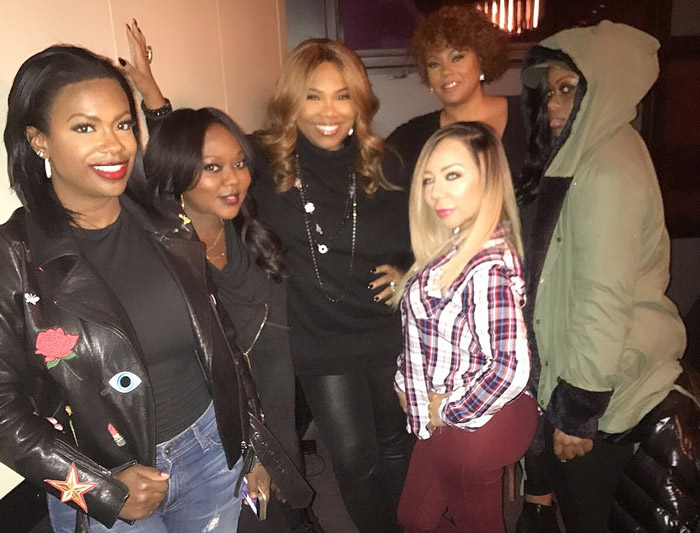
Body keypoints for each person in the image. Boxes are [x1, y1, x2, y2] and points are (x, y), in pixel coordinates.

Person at [0, 45, 270, 533]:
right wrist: (96, 487)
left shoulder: (167, 221)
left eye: (123, 124)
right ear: (39, 140)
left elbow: (221, 340)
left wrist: (251, 444)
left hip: (212, 452)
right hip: (106, 483)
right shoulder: (14, 258)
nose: (115, 145)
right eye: (85, 128)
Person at [514, 21, 686, 533]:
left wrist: (577, 410)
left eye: (569, 88)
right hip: (586, 371)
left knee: (588, 516)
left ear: (604, 87)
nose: (553, 104)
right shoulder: (585, 151)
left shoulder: (606, 168)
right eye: (551, 91)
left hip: (601, 387)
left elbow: (601, 297)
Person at [251, 38, 415, 532]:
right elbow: (195, 161)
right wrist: (156, 107)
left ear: (359, 102)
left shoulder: (387, 163)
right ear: (290, 102)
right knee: (352, 458)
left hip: (386, 329)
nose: (329, 111)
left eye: (343, 96)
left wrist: (410, 271)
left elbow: (437, 231)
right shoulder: (263, 163)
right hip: (318, 337)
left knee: (397, 444)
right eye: (313, 96)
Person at [142, 107, 309, 533]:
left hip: (271, 415)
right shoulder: (161, 258)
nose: (234, 180)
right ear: (177, 172)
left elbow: (276, 354)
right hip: (212, 443)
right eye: (212, 168)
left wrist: (278, 451)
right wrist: (253, 454)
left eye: (239, 163)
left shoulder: (249, 233)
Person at [394, 121, 538, 532]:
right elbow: (429, 337)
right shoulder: (456, 247)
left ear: (488, 180)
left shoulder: (485, 267)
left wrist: (449, 410)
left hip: (475, 422)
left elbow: (510, 367)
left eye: (452, 175)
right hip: (452, 415)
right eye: (428, 180)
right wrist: (406, 383)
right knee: (415, 518)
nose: (436, 193)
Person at [386, 4, 533, 235]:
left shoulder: (529, 117)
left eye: (457, 57)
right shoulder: (411, 138)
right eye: (434, 64)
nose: (446, 71)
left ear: (481, 60)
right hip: (446, 256)